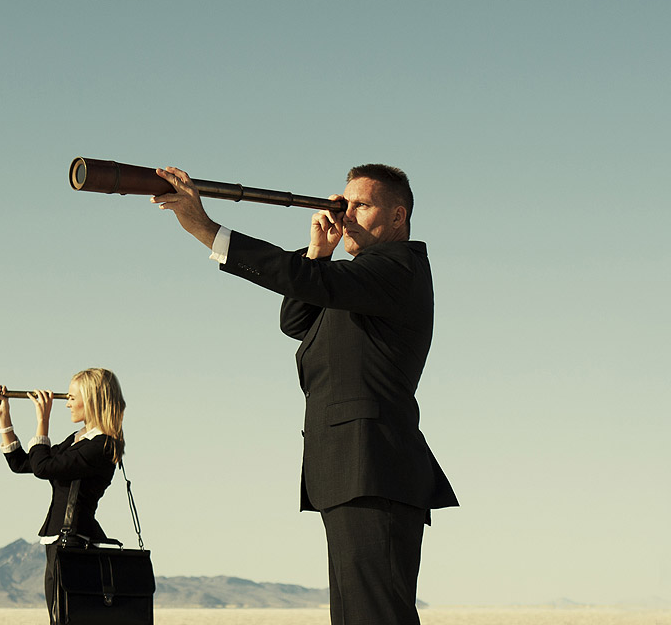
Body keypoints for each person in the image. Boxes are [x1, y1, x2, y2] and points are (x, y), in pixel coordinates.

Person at [152, 164, 457, 625]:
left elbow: (306, 282)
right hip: (351, 472)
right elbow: (295, 321)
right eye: (343, 204)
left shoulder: (398, 267)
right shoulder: (358, 285)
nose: (345, 214)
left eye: (361, 205)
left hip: (374, 469)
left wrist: (206, 229)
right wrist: (318, 253)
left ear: (398, 216)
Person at [0, 368, 126, 624]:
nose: (67, 404)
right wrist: (4, 418)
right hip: (62, 542)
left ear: (93, 400)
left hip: (74, 543)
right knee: (60, 617)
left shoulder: (100, 445)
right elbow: (24, 464)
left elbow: (44, 468)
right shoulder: (78, 441)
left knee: (65, 618)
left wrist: (43, 421)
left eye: (72, 397)